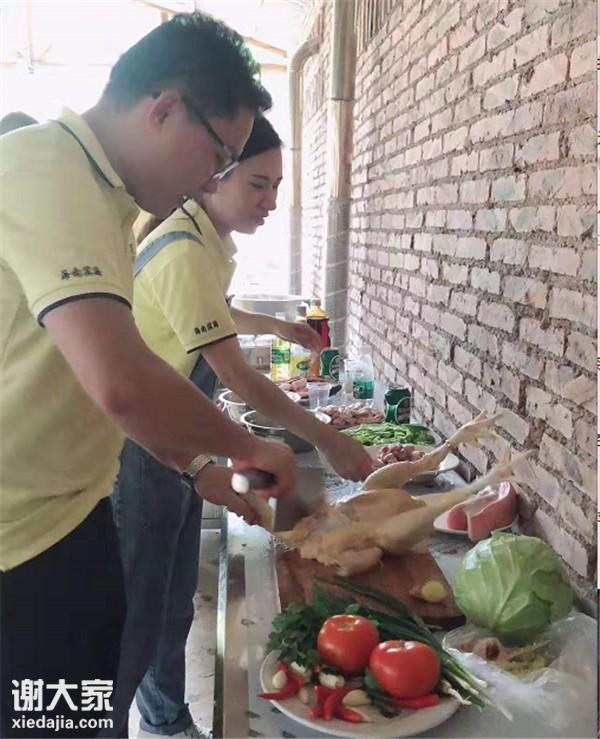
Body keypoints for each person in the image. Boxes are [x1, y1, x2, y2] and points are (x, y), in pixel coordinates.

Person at [0, 13, 299, 739]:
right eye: (220, 156)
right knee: (55, 720)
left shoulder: (106, 198)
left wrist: (197, 464)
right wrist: (250, 445)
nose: (213, 180)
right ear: (164, 107)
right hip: (20, 546)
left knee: (84, 704)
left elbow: (98, 379)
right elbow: (121, 379)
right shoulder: (46, 168)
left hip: (71, 518)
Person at [111, 114, 373, 738]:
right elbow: (237, 377)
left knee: (172, 600)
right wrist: (324, 437)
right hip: (139, 448)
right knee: (143, 610)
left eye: (277, 186)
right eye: (258, 184)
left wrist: (278, 327)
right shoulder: (182, 250)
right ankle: (147, 721)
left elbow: (216, 314)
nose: (271, 202)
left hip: (174, 442)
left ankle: (166, 718)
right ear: (214, 176)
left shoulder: (201, 240)